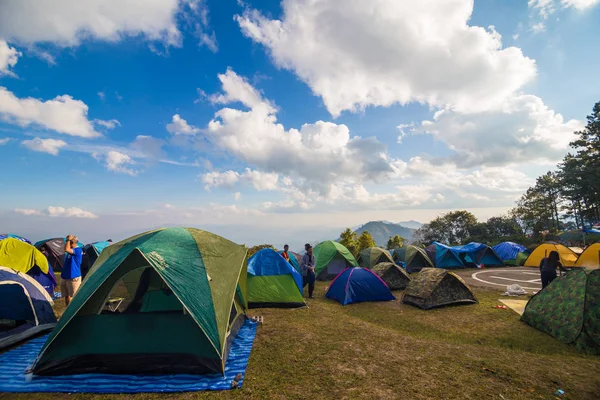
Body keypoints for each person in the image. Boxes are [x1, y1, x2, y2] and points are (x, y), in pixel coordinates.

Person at [61, 234, 83, 306]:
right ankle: (67, 312)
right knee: (66, 296)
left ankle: (75, 313)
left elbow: (66, 249)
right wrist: (68, 240)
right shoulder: (70, 251)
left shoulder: (78, 250)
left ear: (72, 242)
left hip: (73, 277)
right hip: (65, 276)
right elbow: (66, 249)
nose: (66, 243)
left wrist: (68, 239)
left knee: (74, 297)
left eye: (68, 242)